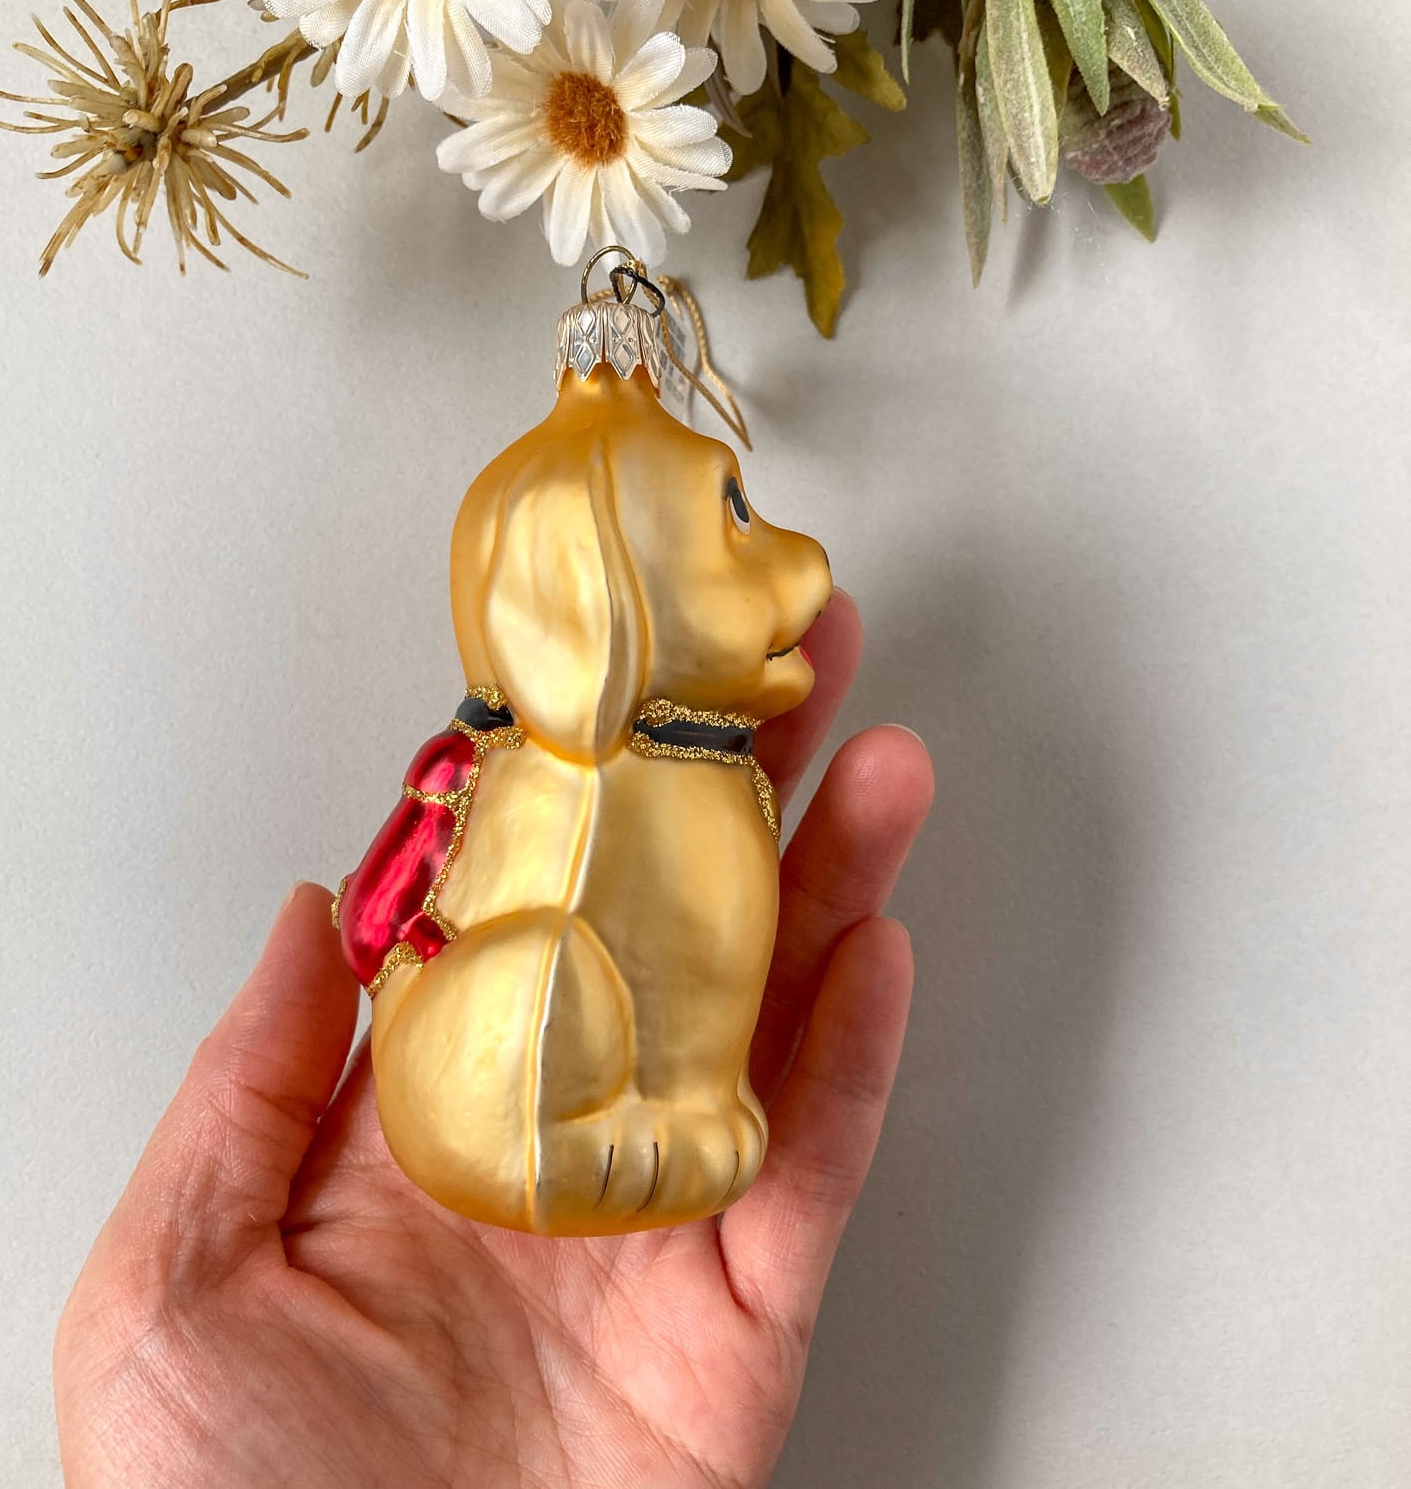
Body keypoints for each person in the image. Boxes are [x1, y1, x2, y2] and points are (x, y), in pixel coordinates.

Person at [53, 592, 935, 1487]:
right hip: (478, 1056)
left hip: (624, 1101)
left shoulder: (710, 774)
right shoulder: (485, 757)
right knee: (560, 968)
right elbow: (385, 905)